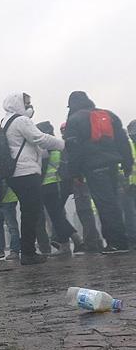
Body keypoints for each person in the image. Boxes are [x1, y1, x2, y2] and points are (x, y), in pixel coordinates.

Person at [0, 93, 65, 265]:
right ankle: (28, 253)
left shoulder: (6, 121)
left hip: (15, 173)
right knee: (32, 212)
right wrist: (63, 144)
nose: (29, 106)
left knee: (29, 212)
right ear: (18, 104)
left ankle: (28, 250)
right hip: (26, 171)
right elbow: (39, 138)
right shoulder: (21, 121)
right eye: (27, 103)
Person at [64, 91, 133, 253]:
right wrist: (127, 163)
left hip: (93, 168)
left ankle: (116, 243)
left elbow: (73, 150)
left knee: (105, 205)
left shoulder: (74, 121)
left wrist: (74, 173)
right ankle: (122, 240)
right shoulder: (108, 115)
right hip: (112, 166)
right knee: (115, 203)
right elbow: (122, 140)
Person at [36, 121, 84, 254]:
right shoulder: (57, 144)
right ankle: (70, 242)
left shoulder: (44, 147)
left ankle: (72, 240)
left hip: (49, 185)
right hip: (61, 184)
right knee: (57, 215)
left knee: (56, 216)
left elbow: (42, 169)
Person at [0, 181, 21, 261]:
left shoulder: (3, 169)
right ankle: (0, 250)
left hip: (7, 199)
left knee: (11, 226)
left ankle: (14, 250)